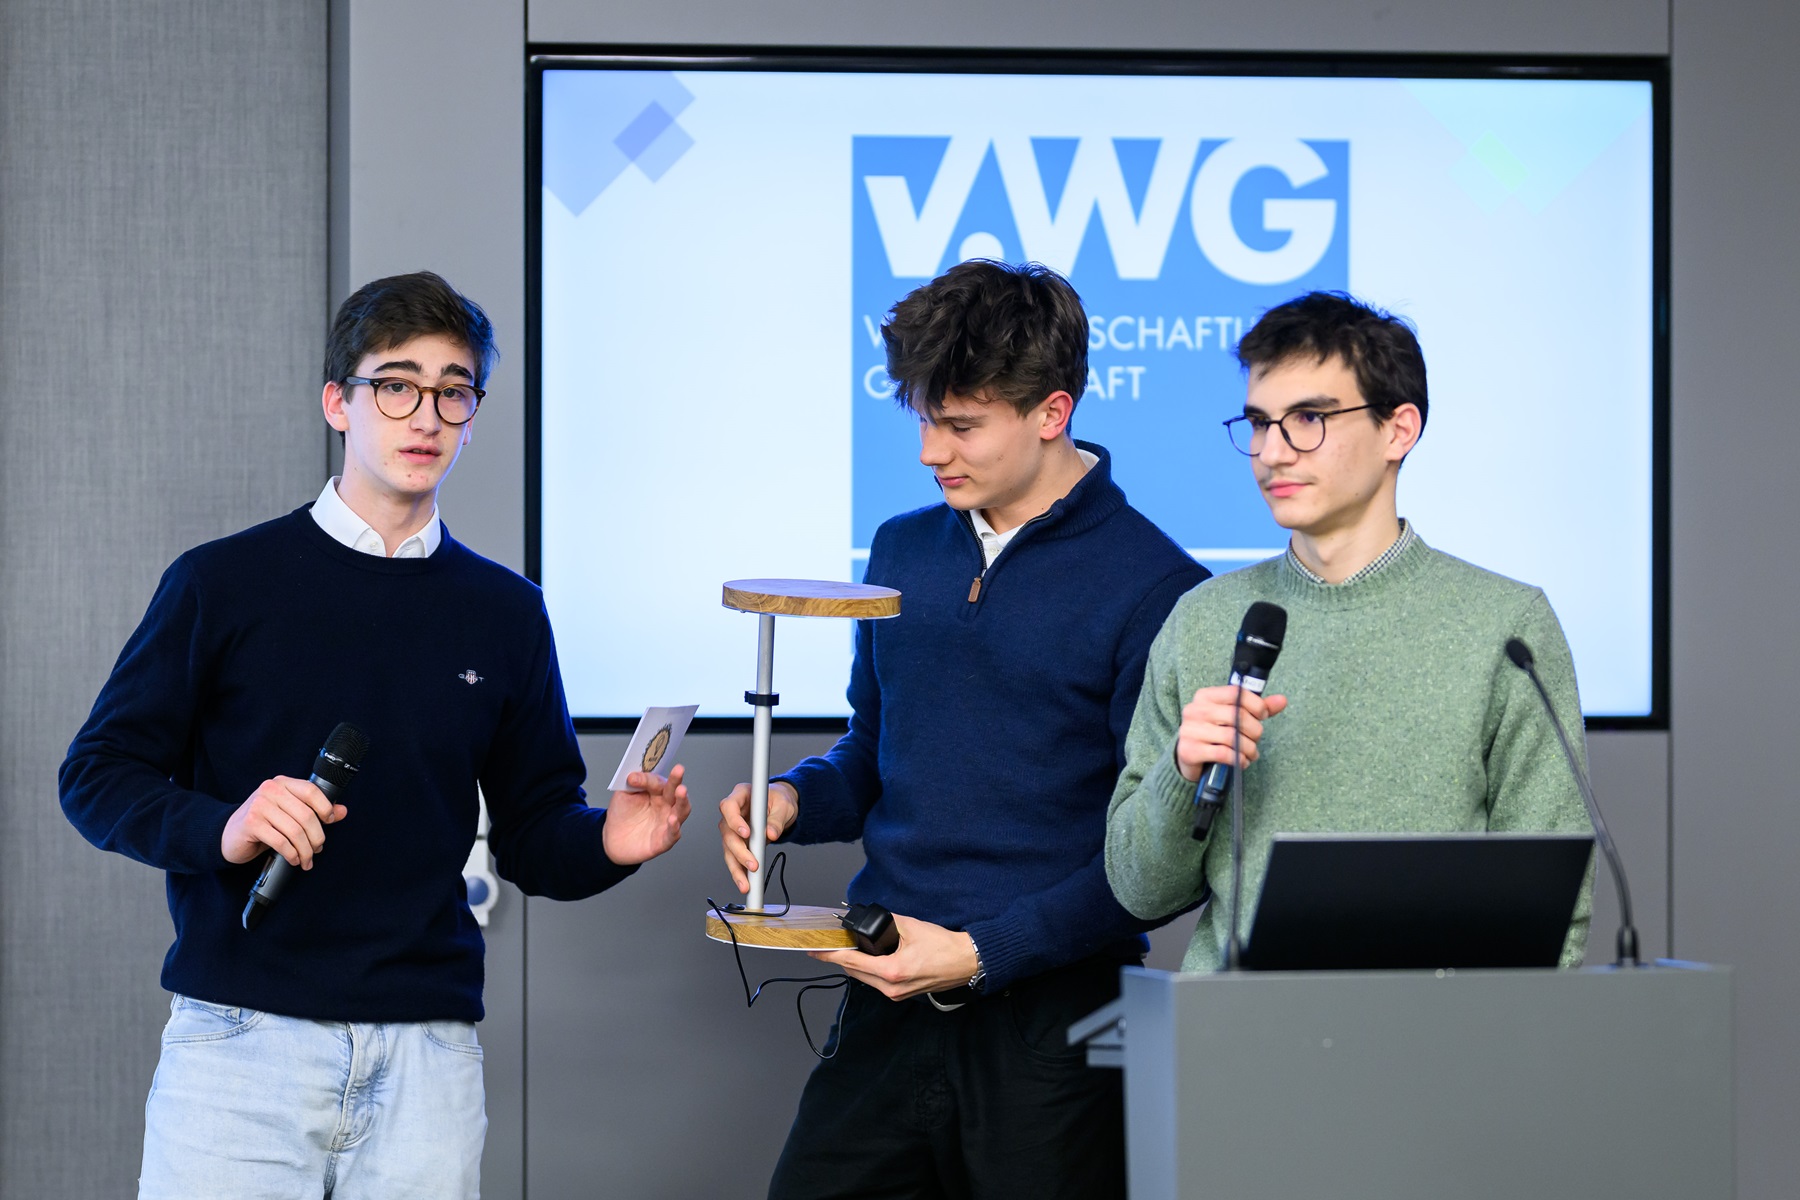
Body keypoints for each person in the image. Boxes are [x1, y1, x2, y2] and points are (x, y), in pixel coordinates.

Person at [59, 271, 690, 1199]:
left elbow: (535, 829)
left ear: (473, 415)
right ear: (338, 404)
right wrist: (225, 827)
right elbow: (98, 775)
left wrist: (610, 841)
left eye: (453, 390)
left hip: (426, 1057)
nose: (424, 414)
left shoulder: (506, 614)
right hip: (242, 1042)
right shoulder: (223, 583)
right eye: (395, 384)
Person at [717, 259, 1209, 1198]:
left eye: (961, 424)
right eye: (923, 419)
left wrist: (987, 952)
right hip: (884, 991)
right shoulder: (901, 548)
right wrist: (790, 799)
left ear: (1052, 413)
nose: (929, 451)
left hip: (1052, 1030)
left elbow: (1157, 865)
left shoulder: (1158, 590)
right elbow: (872, 755)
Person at [1104, 290, 1592, 969]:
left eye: (1308, 418)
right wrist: (1181, 773)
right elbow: (1136, 891)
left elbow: (1554, 908)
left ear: (1399, 430)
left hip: (1436, 1057)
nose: (1272, 452)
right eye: (1259, 424)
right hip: (1240, 1051)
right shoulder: (1203, 619)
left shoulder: (1506, 625)